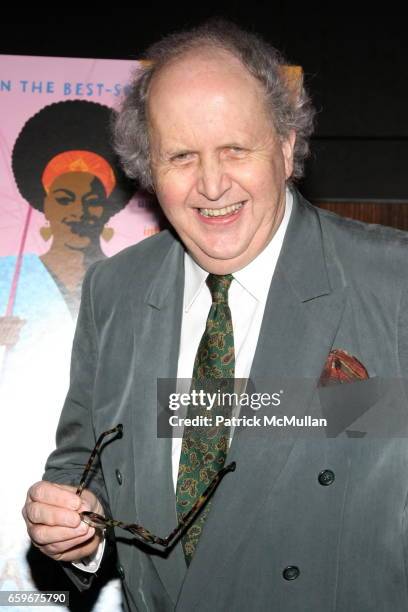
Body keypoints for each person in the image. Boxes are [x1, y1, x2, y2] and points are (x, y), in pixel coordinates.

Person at [22, 19, 408, 612]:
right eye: (180, 156)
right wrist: (77, 528)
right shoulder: (116, 290)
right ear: (149, 169)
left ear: (284, 147)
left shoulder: (392, 283)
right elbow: (85, 463)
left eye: (234, 149)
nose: (210, 184)